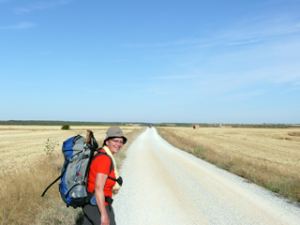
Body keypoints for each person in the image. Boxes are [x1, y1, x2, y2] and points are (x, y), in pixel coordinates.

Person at [82, 126, 127, 225]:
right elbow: (98, 188)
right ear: (107, 142)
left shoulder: (101, 153)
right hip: (98, 207)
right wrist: (104, 214)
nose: (119, 144)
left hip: (90, 205)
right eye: (115, 141)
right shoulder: (104, 159)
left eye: (121, 142)